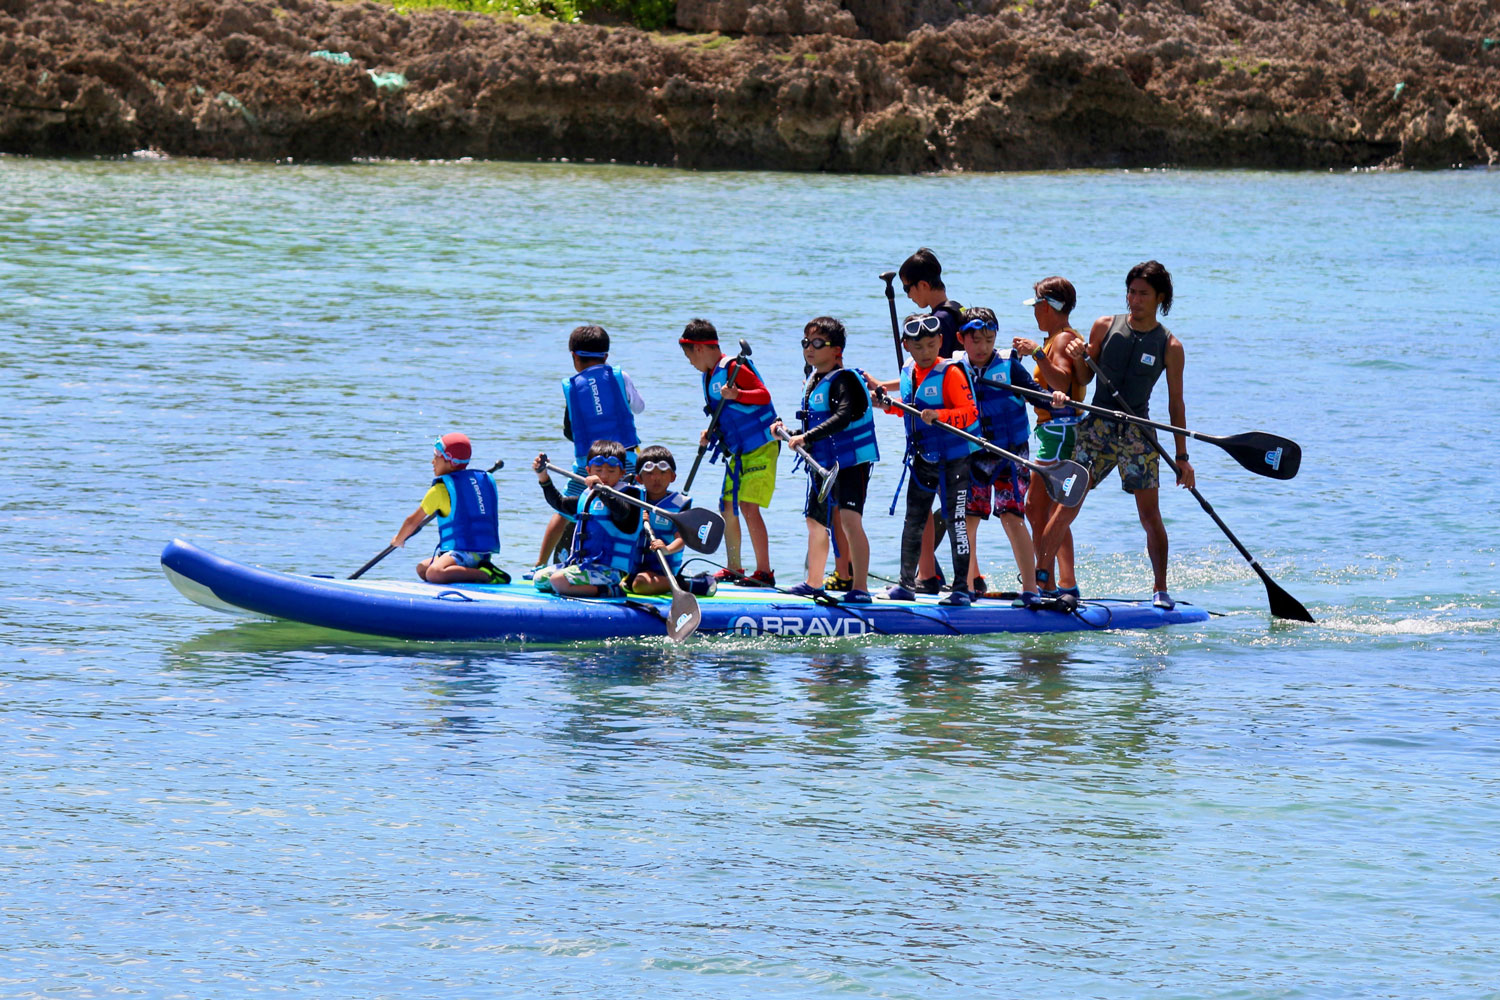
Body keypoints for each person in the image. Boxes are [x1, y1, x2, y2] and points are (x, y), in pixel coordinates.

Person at [1034, 260, 1196, 610]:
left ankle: (1160, 590)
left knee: (1149, 515)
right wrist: (1080, 357)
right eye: (1131, 292)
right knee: (1066, 505)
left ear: (1160, 298)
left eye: (1143, 294)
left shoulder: (1170, 345)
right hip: (1096, 427)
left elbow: (1176, 405)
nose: (1134, 300)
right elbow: (1085, 377)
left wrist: (1182, 458)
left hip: (1139, 433)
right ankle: (1041, 582)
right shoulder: (1104, 326)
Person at [953, 307, 1069, 607]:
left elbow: (1035, 394)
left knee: (1011, 516)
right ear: (961, 339)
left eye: (989, 340)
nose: (983, 348)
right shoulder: (954, 369)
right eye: (976, 341)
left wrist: (1053, 399)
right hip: (973, 453)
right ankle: (965, 587)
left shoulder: (1009, 365)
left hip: (1010, 454)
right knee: (968, 520)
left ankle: (1030, 589)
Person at [865, 313, 981, 607]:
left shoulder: (952, 373)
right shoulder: (909, 372)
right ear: (906, 346)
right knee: (913, 521)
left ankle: (960, 589)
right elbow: (908, 411)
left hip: (954, 461)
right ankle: (906, 584)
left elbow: (970, 413)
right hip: (922, 460)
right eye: (919, 348)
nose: (926, 352)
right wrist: (884, 405)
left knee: (956, 523)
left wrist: (940, 416)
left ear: (940, 341)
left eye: (931, 345)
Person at [777, 317, 880, 604]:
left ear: (837, 351)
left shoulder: (845, 380)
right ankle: (814, 582)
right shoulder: (814, 383)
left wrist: (806, 436)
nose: (809, 348)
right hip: (822, 466)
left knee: (850, 521)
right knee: (814, 520)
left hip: (850, 463)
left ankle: (860, 588)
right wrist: (789, 434)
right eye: (806, 343)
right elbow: (818, 426)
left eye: (818, 343)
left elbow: (843, 416)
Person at [533, 325, 645, 573]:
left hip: (588, 463)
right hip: (624, 460)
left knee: (563, 508)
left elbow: (569, 431)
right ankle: (633, 563)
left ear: (574, 356)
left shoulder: (572, 387)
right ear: (606, 356)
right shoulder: (620, 376)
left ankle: (538, 565)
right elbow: (639, 407)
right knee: (632, 510)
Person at [679, 318, 779, 587]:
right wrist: (710, 432)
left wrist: (738, 395)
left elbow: (763, 395)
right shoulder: (708, 376)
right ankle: (734, 567)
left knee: (748, 506)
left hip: (761, 445)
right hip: (736, 451)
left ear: (699, 348)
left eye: (689, 356)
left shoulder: (734, 367)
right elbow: (724, 414)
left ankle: (765, 573)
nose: (690, 363)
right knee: (726, 507)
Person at [1012, 277, 1089, 601]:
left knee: (1035, 507)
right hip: (1054, 430)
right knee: (1052, 510)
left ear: (1050, 307)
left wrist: (1036, 355)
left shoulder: (1060, 341)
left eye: (1039, 307)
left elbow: (1064, 382)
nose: (1036, 314)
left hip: (1058, 430)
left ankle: (1046, 582)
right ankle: (1063, 582)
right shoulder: (1058, 339)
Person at [898, 248, 965, 589]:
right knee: (955, 512)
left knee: (948, 512)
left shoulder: (943, 320)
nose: (909, 296)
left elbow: (939, 374)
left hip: (947, 433)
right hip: (951, 430)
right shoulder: (957, 312)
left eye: (909, 288)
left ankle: (934, 576)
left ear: (923, 285)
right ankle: (944, 574)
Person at [532, 439, 644, 598]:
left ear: (622, 473)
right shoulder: (588, 497)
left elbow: (622, 513)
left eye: (611, 471)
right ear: (588, 471)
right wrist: (543, 477)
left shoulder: (629, 496)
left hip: (608, 571)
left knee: (558, 580)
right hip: (584, 566)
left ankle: (611, 590)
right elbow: (559, 503)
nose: (604, 476)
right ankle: (577, 586)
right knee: (540, 579)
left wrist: (602, 489)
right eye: (598, 470)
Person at [390, 432, 503, 584]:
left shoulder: (440, 490)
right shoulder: (476, 482)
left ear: (451, 462)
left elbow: (412, 521)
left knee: (434, 573)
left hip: (465, 553)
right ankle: (473, 572)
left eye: (436, 456)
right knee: (422, 569)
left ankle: (487, 575)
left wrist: (399, 539)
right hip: (479, 553)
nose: (432, 462)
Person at [625, 445, 692, 597]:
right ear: (639, 479)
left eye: (663, 472)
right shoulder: (631, 499)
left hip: (662, 570)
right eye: (649, 474)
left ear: (672, 477)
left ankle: (686, 584)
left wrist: (667, 549)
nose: (656, 478)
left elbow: (682, 539)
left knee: (640, 584)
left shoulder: (679, 505)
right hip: (633, 570)